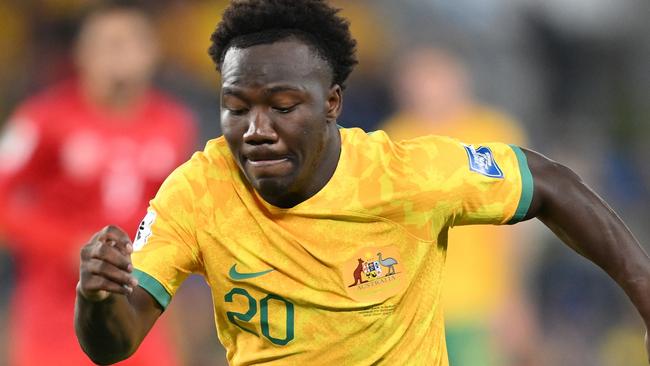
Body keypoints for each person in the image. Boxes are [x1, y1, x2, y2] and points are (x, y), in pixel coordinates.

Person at [74, 1, 650, 365]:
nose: (256, 130)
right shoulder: (197, 191)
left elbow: (547, 181)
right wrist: (96, 299)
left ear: (332, 104)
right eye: (236, 107)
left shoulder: (404, 174)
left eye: (281, 106)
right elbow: (114, 343)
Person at [0, 2, 196, 365]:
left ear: (152, 51)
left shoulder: (175, 125)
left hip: (138, 314)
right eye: (107, 43)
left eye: (129, 42)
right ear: (81, 53)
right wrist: (66, 246)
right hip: (56, 318)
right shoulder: (42, 118)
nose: (119, 54)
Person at [379, 47, 539, 365]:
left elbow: (515, 230)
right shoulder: (393, 139)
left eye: (434, 76)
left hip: (479, 307)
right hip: (413, 310)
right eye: (415, 78)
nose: (424, 87)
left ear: (458, 79)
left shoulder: (493, 135)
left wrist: (513, 297)